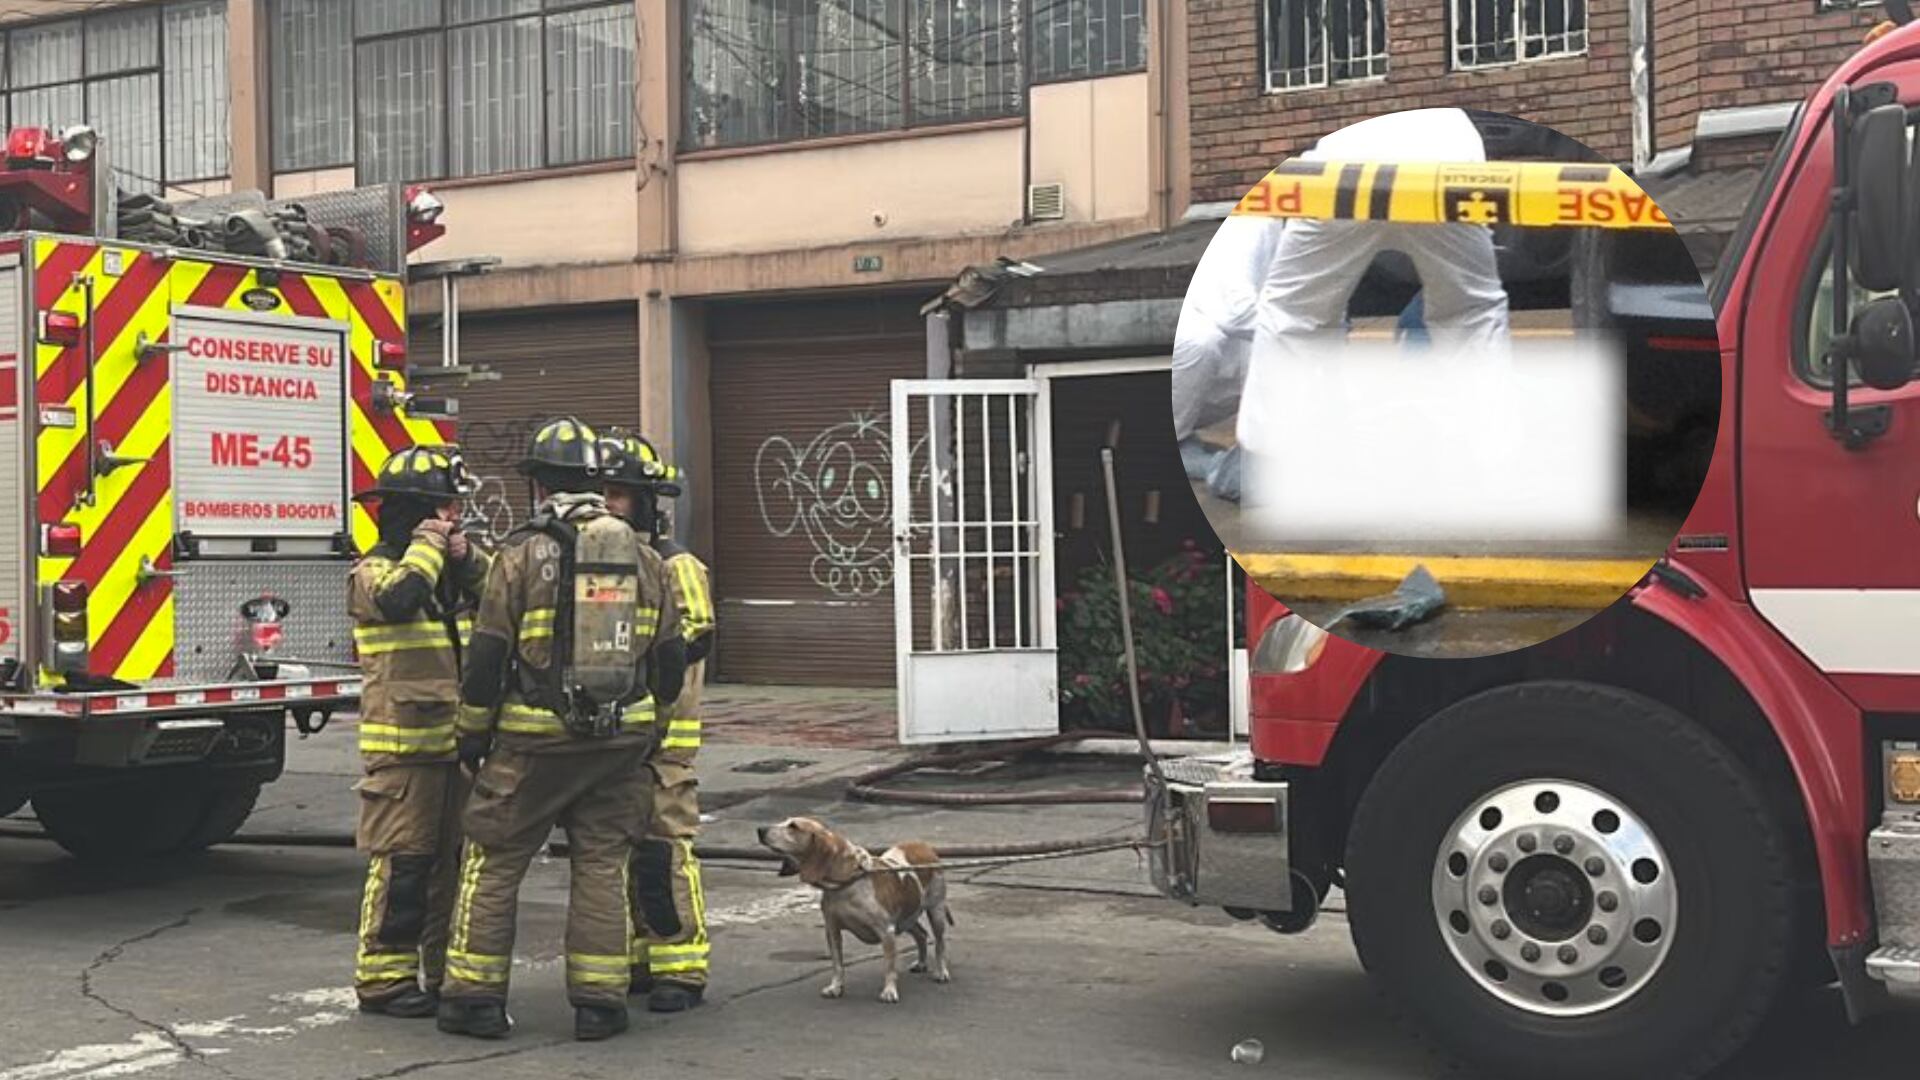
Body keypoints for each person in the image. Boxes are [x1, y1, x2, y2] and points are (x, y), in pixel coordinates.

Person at [437, 417, 688, 1042]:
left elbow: (488, 658)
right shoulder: (647, 559)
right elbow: (671, 659)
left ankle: (474, 1000)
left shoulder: (519, 556)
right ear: (597, 484)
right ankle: (600, 1005)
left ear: (540, 484)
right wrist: (651, 726)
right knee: (602, 865)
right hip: (621, 744)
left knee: (492, 860)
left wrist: (471, 734)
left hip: (534, 745)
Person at [1239, 108, 1511, 472]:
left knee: (1294, 316)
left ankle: (1269, 461)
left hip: (1339, 174)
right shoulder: (1451, 120)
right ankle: (1489, 456)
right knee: (1470, 313)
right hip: (1445, 165)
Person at [347, 445, 490, 1018]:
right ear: (414, 513)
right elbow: (400, 602)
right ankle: (383, 981)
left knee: (448, 866)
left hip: (455, 747)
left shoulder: (447, 572)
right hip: (403, 751)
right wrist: (430, 547)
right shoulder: (374, 570)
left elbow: (502, 597)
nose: (454, 518)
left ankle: (437, 974)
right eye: (445, 510)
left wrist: (467, 557)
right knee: (403, 865)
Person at [599, 431, 717, 1013]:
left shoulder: (677, 565)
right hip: (620, 739)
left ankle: (681, 966)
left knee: (665, 850)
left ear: (647, 500)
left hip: (666, 739)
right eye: (603, 492)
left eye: (620, 494)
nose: (608, 504)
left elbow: (695, 639)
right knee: (621, 851)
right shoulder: (603, 563)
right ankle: (640, 959)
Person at [1172, 212, 1287, 503]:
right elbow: (1236, 310)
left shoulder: (1289, 230)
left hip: (1231, 348)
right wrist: (1293, 336)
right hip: (1205, 332)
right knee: (1200, 343)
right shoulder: (1256, 225)